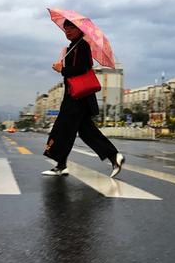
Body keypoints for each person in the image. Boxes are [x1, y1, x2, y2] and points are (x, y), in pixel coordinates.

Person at [42, 19, 125, 178]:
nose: (67, 31)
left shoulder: (82, 45)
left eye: (71, 28)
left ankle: (61, 165)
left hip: (77, 98)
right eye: (65, 28)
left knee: (62, 129)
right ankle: (114, 157)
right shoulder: (73, 46)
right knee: (86, 132)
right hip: (76, 97)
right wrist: (62, 67)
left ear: (80, 29)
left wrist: (62, 69)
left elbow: (84, 68)